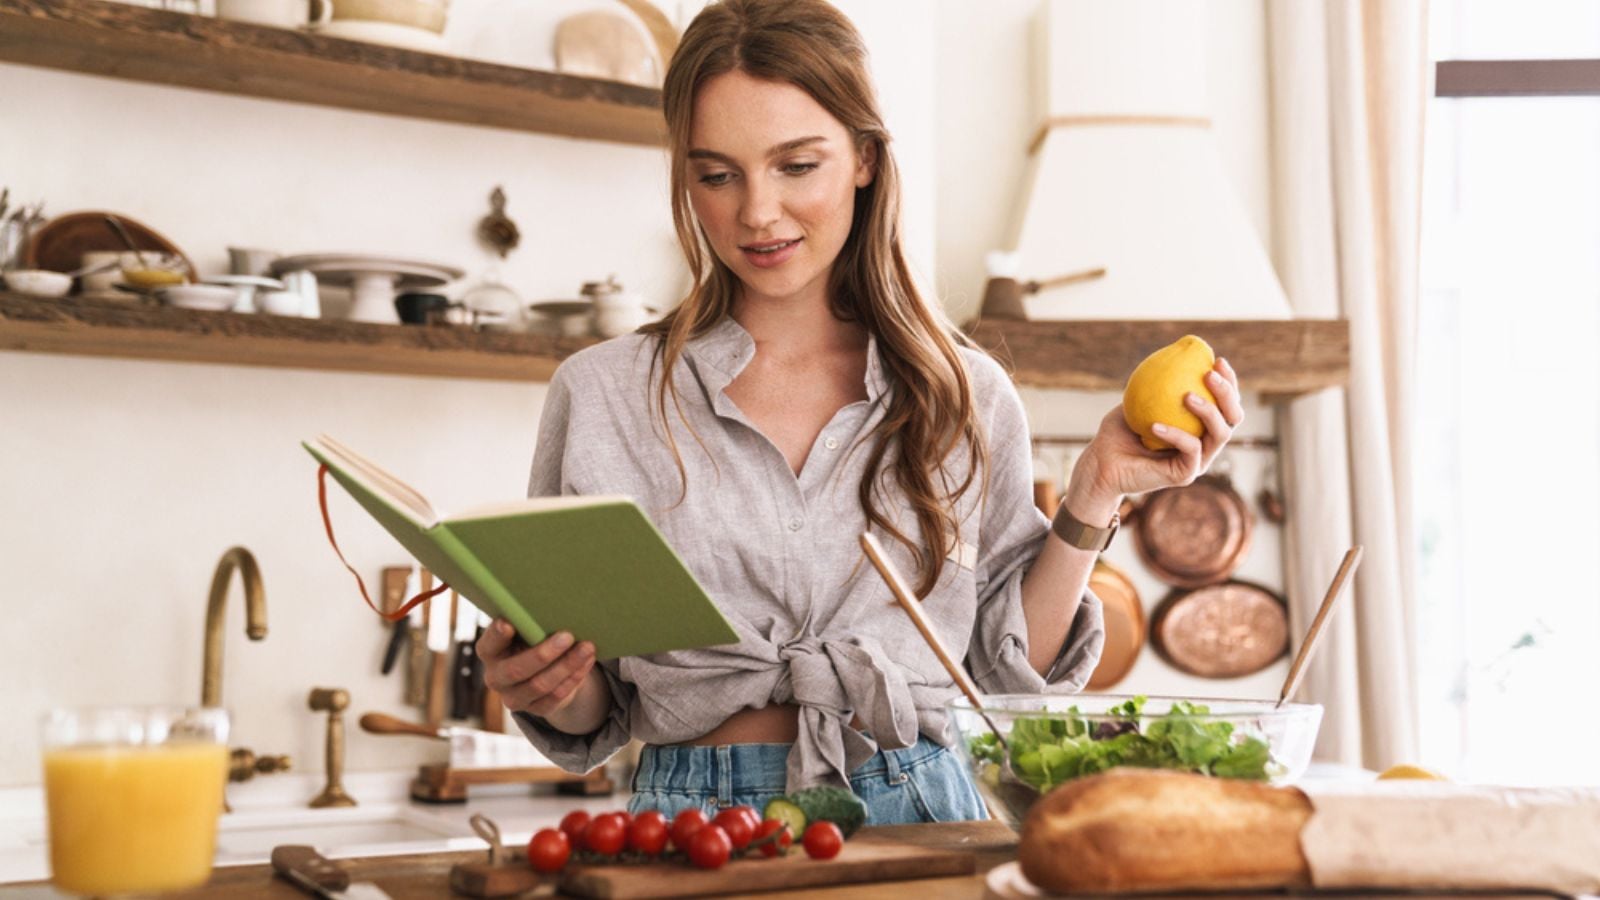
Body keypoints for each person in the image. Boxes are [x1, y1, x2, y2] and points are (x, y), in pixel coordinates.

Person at [476, 0, 1243, 824]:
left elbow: (1002, 674)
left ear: (865, 159)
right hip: (690, 820)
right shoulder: (604, 393)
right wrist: (549, 685)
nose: (757, 212)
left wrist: (1095, 492)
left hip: (921, 807)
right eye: (716, 174)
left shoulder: (968, 394)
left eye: (796, 166)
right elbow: (600, 706)